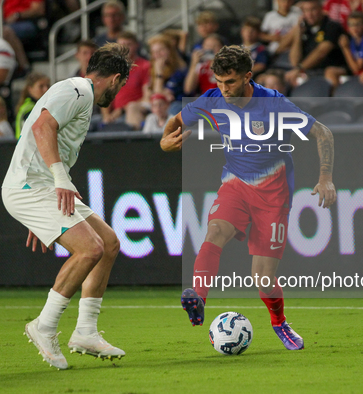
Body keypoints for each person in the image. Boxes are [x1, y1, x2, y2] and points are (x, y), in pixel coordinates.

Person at [160, 45, 336, 351]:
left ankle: (280, 323)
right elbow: (175, 122)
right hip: (236, 184)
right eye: (219, 81)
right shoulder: (212, 100)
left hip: (274, 191)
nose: (224, 89)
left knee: (262, 275)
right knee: (214, 232)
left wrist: (325, 178)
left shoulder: (273, 103)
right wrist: (165, 141)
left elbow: (322, 133)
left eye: (230, 81)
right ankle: (198, 299)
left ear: (247, 77)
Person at [1, 43, 132, 370]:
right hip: (31, 185)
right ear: (115, 79)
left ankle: (86, 331)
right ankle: (44, 325)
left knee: (109, 243)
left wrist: (44, 210)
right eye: (122, 86)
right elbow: (41, 127)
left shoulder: (78, 94)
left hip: (43, 187)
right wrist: (61, 179)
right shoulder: (77, 90)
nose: (117, 93)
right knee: (89, 248)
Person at [285, 0, 348, 88]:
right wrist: (298, 35)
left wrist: (299, 69)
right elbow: (294, 62)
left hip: (329, 70)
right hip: (309, 72)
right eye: (306, 11)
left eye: (313, 10)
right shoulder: (305, 29)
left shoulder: (332, 26)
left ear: (321, 9)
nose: (310, 14)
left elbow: (321, 52)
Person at [101, 31, 150, 129]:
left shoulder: (145, 66)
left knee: (132, 109)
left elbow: (147, 96)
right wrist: (107, 116)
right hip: (116, 114)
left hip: (136, 109)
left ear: (136, 45)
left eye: (129, 44)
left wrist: (123, 109)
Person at [145, 33, 187, 116]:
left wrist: (159, 73)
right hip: (159, 104)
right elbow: (148, 93)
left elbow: (158, 93)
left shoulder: (179, 69)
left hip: (179, 104)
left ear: (170, 50)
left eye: (161, 50)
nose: (157, 55)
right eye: (154, 52)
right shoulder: (151, 69)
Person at [339, 12, 363, 77]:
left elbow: (357, 69)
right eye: (351, 25)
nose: (354, 27)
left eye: (358, 24)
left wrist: (345, 48)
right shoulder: (352, 40)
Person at [15, 71, 50, 139]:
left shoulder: (29, 105)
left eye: (48, 86)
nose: (46, 89)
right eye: (41, 86)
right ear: (30, 89)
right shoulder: (30, 109)